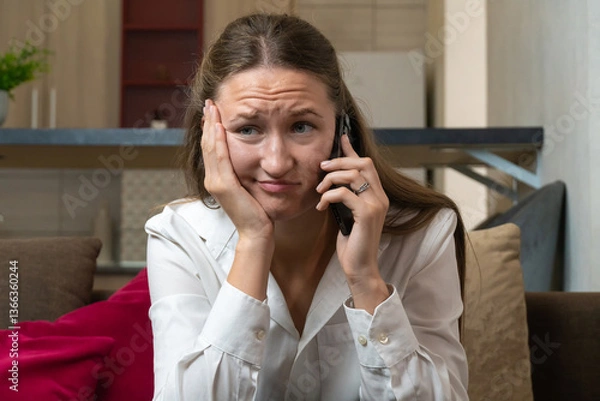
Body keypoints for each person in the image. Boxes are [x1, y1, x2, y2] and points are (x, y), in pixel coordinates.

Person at [145, 12, 469, 401]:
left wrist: (367, 281)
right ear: (210, 136)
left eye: (301, 126)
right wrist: (252, 241)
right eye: (248, 129)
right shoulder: (177, 236)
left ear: (340, 131)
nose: (277, 161)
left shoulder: (424, 232)